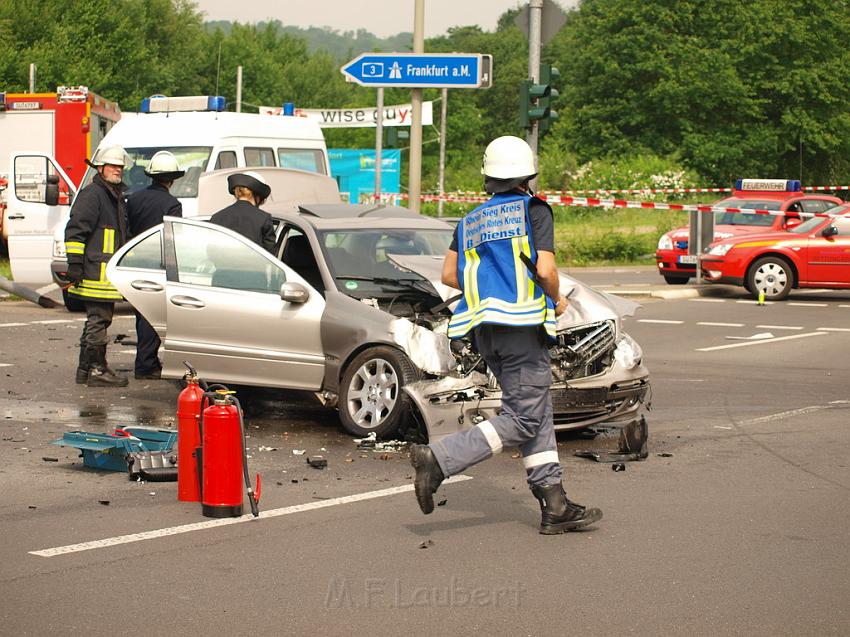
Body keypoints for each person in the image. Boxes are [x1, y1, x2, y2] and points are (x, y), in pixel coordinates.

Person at [410, 135, 603, 535]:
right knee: (524, 417)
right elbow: (547, 271)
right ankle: (439, 459)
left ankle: (555, 504)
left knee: (537, 414)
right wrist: (556, 299)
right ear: (527, 176)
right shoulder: (534, 210)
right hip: (521, 328)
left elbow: (448, 275)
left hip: (486, 333)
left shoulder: (471, 220)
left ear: (488, 177)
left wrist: (490, 281)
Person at [65, 145, 131, 387]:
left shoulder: (112, 194)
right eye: (113, 166)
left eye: (120, 166)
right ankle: (96, 369)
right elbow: (75, 231)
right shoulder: (93, 194)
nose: (118, 170)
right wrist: (74, 264)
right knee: (99, 320)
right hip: (95, 272)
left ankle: (84, 370)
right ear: (100, 168)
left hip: (103, 271)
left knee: (98, 319)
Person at [125, 151, 184, 379]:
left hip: (135, 262)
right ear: (171, 179)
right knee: (154, 316)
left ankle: (146, 360)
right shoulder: (172, 204)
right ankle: (146, 363)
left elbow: (128, 229)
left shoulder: (134, 198)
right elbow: (173, 239)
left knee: (142, 314)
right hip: (159, 266)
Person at [209, 171, 275, 253]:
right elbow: (270, 255)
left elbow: (211, 251)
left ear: (236, 194)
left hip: (222, 265)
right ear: (258, 196)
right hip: (253, 265)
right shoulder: (264, 218)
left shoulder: (217, 217)